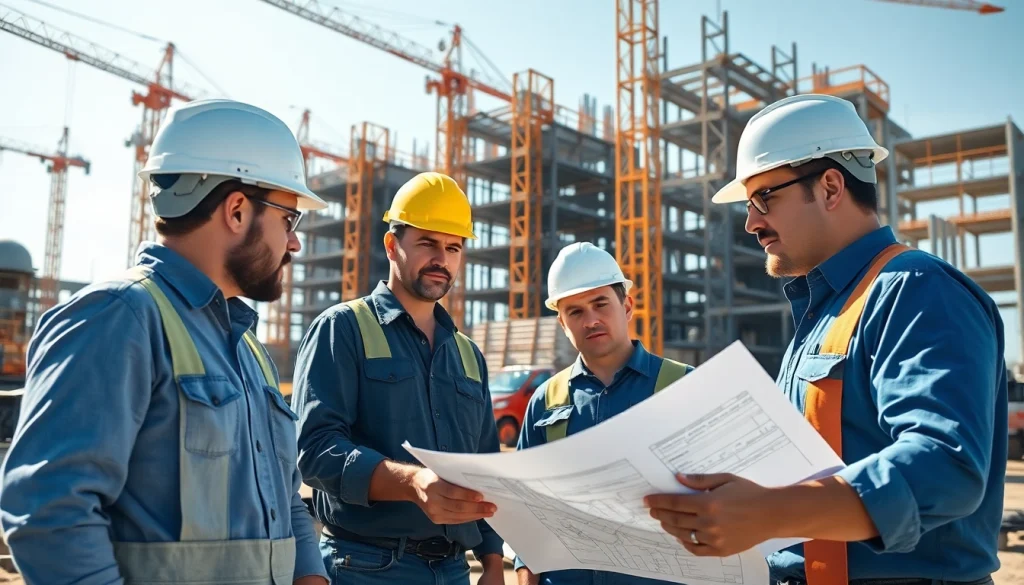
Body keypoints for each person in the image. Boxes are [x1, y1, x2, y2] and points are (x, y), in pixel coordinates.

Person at [644, 93, 1007, 585]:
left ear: (831, 187)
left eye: (763, 198)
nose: (751, 223)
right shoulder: (824, 316)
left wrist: (772, 512)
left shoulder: (915, 288)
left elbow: (945, 465)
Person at [0, 99, 330, 584]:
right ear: (237, 210)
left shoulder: (248, 349)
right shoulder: (118, 318)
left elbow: (283, 499)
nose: (294, 243)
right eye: (289, 219)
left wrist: (311, 577)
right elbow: (50, 513)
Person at [289, 171, 506, 585]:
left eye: (453, 247)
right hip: (367, 566)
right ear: (392, 244)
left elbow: (487, 467)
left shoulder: (467, 355)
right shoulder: (342, 329)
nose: (442, 258)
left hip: (456, 570)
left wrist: (492, 559)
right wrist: (411, 482)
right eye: (427, 243)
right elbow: (314, 451)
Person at [514, 241, 696, 585]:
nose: (591, 320)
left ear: (627, 305)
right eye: (576, 312)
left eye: (600, 304)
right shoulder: (546, 401)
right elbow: (526, 511)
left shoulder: (682, 386)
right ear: (563, 323)